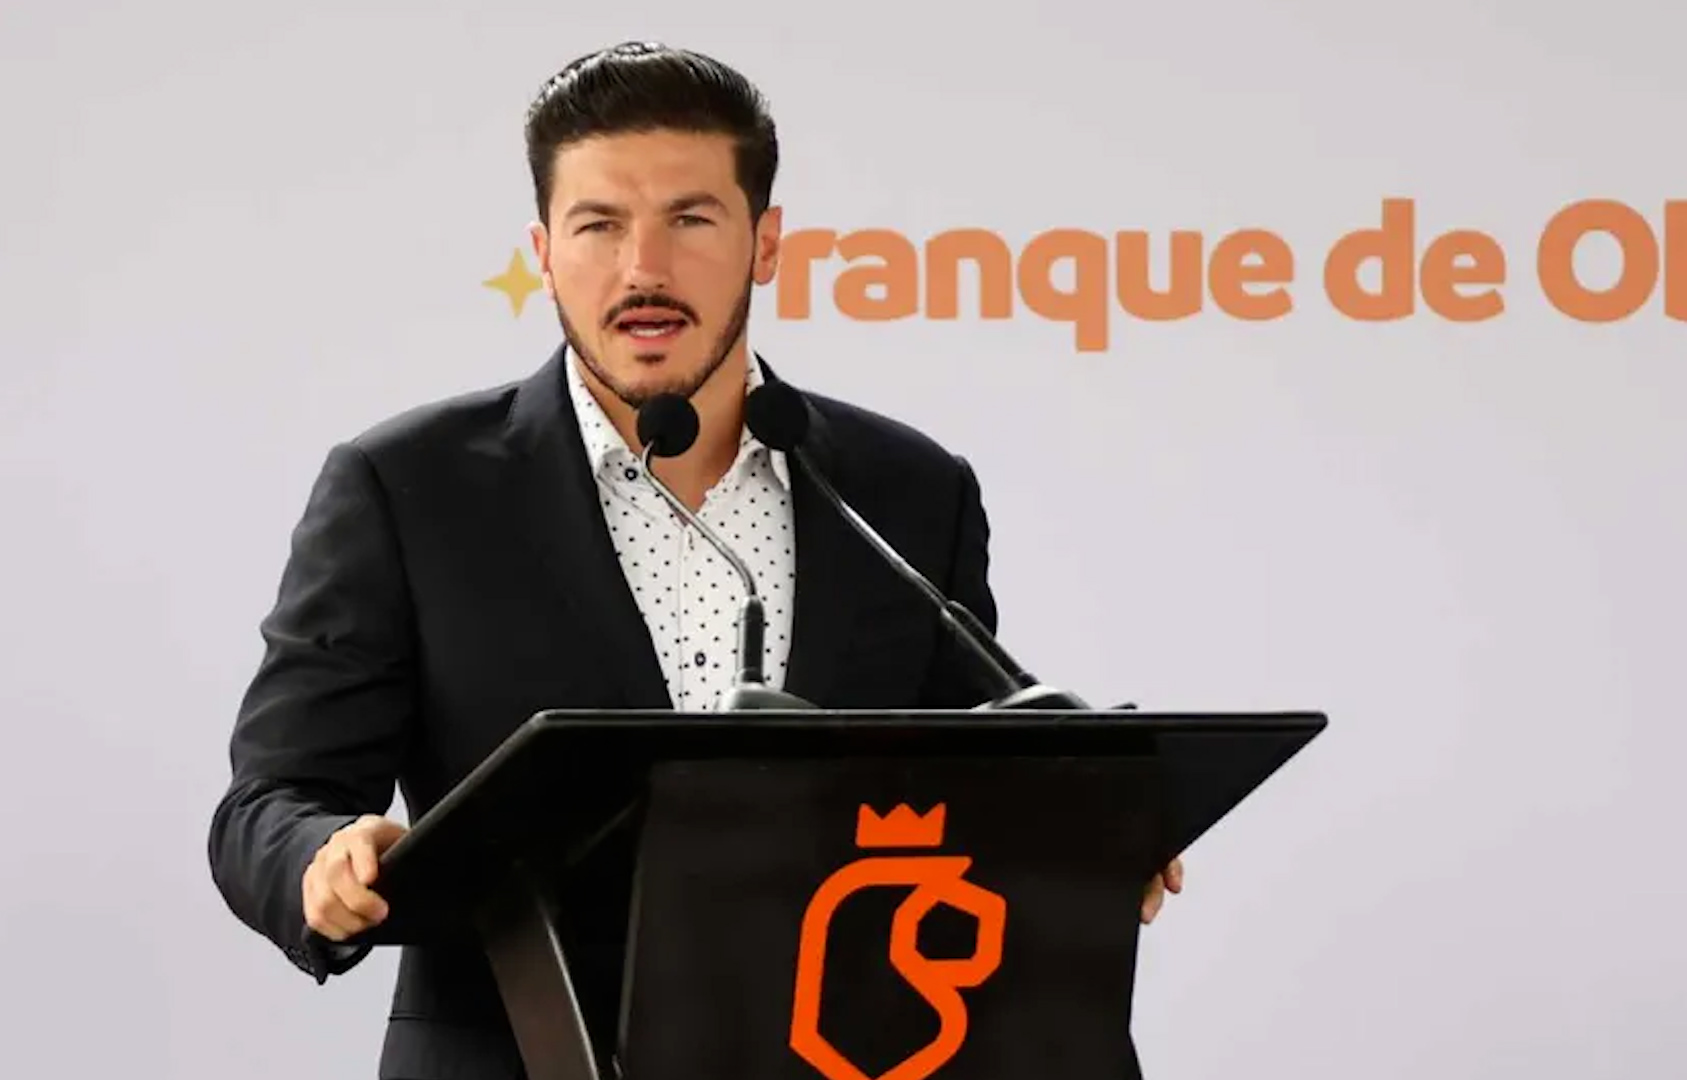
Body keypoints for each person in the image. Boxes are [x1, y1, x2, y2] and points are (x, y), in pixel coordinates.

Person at [207, 41, 1182, 1079]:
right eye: (599, 225)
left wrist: (1079, 836)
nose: (644, 270)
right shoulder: (408, 488)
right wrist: (320, 861)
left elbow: (968, 783)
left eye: (691, 220)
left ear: (766, 243)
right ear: (544, 251)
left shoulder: (905, 488)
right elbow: (268, 802)